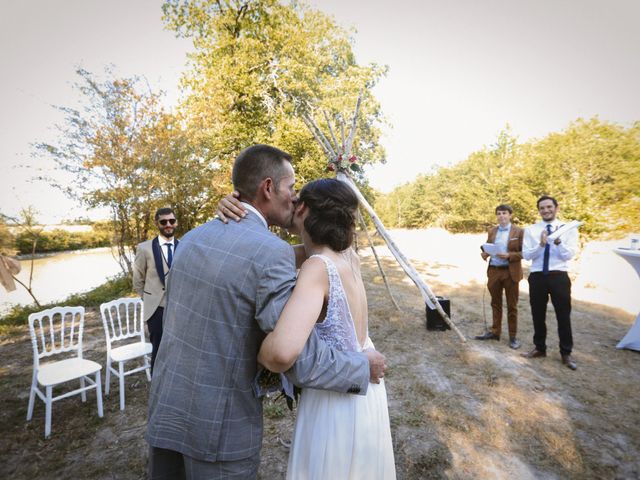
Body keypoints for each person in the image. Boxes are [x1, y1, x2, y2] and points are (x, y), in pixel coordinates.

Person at [146, 145, 387, 479]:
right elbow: (295, 357)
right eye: (291, 189)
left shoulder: (193, 238)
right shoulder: (274, 253)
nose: (294, 200)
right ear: (269, 188)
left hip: (166, 409)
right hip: (220, 426)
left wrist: (240, 207)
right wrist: (363, 366)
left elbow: (249, 259)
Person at [257, 178, 396, 479]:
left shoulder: (317, 268)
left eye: (296, 199)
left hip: (334, 402)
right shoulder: (350, 257)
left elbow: (281, 354)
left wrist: (258, 350)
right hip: (365, 394)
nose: (290, 203)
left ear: (304, 208)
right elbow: (278, 255)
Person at [521, 195, 579, 370]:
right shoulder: (531, 230)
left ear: (556, 208)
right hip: (538, 276)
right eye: (542, 208)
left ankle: (566, 353)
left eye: (549, 207)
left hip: (559, 276)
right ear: (538, 210)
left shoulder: (568, 229)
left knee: (563, 314)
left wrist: (558, 242)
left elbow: (569, 255)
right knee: (537, 314)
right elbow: (527, 255)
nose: (546, 210)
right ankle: (540, 348)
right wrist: (541, 244)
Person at [132, 207, 179, 374]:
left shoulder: (184, 246)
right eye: (164, 221)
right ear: (156, 223)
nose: (168, 224)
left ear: (176, 222)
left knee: (177, 347)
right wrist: (150, 299)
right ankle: (157, 384)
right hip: (155, 308)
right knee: (158, 349)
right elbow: (138, 280)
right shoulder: (144, 248)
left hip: (178, 308)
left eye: (171, 221)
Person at [475, 204, 524, 349]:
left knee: (512, 306)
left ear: (510, 215)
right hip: (494, 271)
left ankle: (513, 337)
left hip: (510, 272)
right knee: (495, 303)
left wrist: (510, 255)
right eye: (499, 213)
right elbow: (488, 247)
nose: (501, 216)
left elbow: (524, 253)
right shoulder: (492, 231)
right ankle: (495, 332)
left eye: (504, 213)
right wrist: (485, 254)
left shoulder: (519, 232)